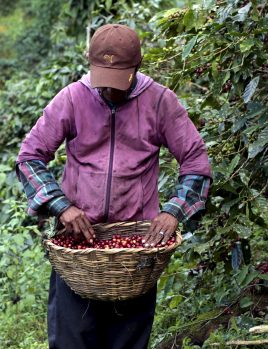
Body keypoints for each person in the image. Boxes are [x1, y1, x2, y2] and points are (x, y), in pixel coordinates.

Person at [15, 24, 213, 349]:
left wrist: (174, 212)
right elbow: (29, 157)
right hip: (78, 246)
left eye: (119, 81)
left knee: (127, 342)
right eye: (103, 82)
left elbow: (196, 162)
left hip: (136, 251)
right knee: (71, 342)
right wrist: (61, 205)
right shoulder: (73, 98)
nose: (109, 91)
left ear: (137, 67)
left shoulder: (160, 101)